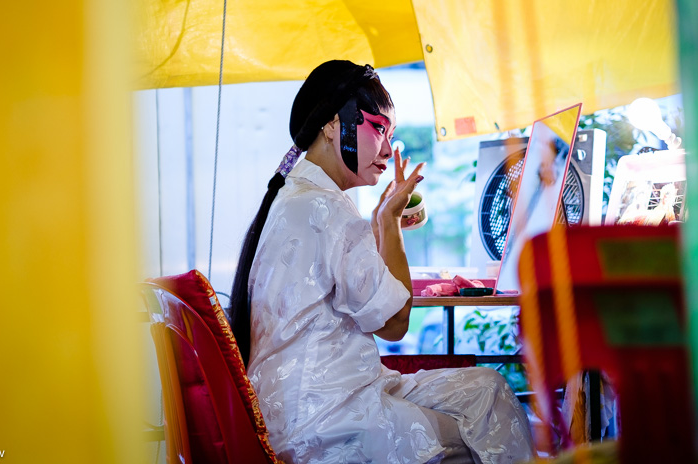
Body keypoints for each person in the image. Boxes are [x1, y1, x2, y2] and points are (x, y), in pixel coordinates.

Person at [229, 61, 535, 464]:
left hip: (296, 406)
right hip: (327, 419)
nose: (389, 151)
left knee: (486, 387)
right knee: (483, 424)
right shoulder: (329, 209)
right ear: (334, 124)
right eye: (378, 128)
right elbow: (395, 323)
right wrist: (388, 222)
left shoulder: (296, 197)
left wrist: (381, 221)